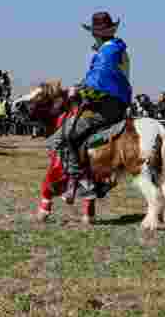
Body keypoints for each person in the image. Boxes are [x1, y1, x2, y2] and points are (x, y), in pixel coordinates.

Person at [47, 12, 132, 203]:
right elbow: (96, 79)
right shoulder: (116, 49)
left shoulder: (107, 53)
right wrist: (81, 86)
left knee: (60, 138)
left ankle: (83, 182)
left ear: (97, 34)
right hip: (118, 104)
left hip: (105, 107)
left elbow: (98, 84)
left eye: (94, 33)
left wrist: (77, 92)